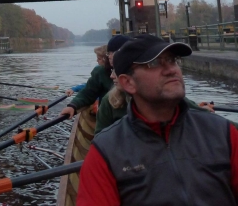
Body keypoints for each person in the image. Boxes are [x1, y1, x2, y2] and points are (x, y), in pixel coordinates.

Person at [77, 34, 238, 205]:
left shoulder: (223, 133)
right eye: (154, 63)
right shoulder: (105, 153)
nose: (171, 69)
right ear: (128, 83)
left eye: (173, 60)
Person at [61, 36, 130, 118]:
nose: (109, 56)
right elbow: (88, 92)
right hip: (109, 118)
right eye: (108, 53)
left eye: (110, 53)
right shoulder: (101, 71)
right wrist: (72, 105)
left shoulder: (135, 72)